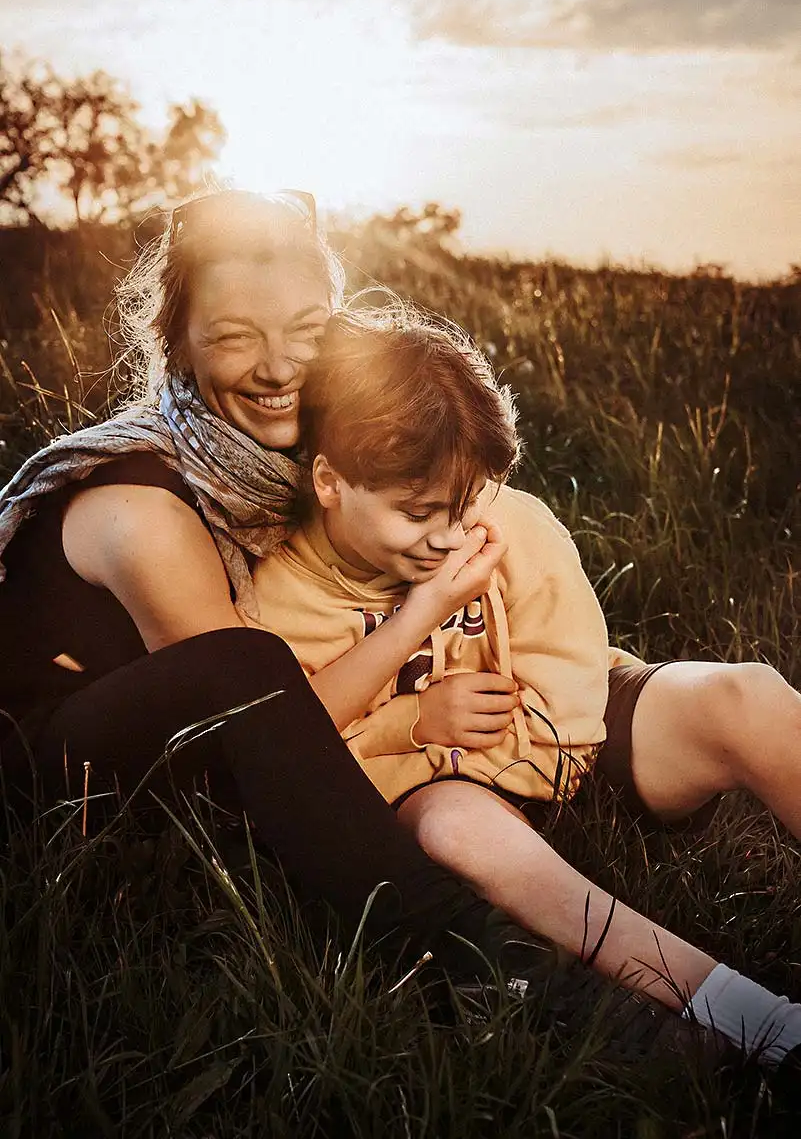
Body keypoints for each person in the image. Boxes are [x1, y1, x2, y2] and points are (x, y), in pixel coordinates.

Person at [0, 188, 687, 1063]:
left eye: (305, 329)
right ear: (175, 345)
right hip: (47, 759)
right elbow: (264, 729)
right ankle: (487, 963)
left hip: (186, 734)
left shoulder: (277, 460)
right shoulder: (144, 508)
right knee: (239, 664)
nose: (279, 365)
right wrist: (418, 651)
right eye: (234, 335)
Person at [251, 301, 801, 1068]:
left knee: (746, 694)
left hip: (572, 735)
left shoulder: (512, 521)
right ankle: (758, 1019)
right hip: (444, 798)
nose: (447, 536)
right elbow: (305, 772)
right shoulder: (280, 599)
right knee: (456, 826)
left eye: (464, 504)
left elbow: (573, 692)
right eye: (415, 513)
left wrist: (488, 753)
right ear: (330, 481)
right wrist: (410, 723)